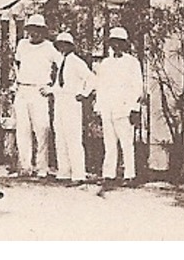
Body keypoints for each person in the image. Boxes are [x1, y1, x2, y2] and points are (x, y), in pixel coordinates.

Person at [94, 26, 145, 184]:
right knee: (109, 143)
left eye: (119, 42)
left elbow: (138, 87)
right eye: (113, 42)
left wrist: (134, 109)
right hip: (108, 108)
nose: (116, 45)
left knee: (126, 143)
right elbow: (100, 86)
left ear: (125, 44)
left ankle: (129, 175)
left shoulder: (132, 63)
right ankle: (109, 175)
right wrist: (99, 108)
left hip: (124, 109)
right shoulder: (106, 63)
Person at [12, 13, 59, 177]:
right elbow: (16, 63)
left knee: (42, 130)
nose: (34, 33)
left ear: (43, 31)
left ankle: (42, 168)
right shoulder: (22, 45)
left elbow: (62, 67)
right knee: (23, 130)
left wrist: (52, 88)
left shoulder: (49, 47)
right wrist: (16, 82)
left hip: (39, 91)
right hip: (23, 90)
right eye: (31, 29)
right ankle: (25, 166)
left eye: (37, 30)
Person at [46, 31, 93, 184]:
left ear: (70, 46)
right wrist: (49, 90)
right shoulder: (62, 62)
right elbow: (59, 85)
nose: (62, 47)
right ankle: (64, 172)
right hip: (60, 101)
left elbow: (91, 78)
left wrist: (84, 93)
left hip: (72, 102)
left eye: (65, 44)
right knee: (60, 137)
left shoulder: (76, 61)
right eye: (60, 45)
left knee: (73, 138)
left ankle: (78, 174)